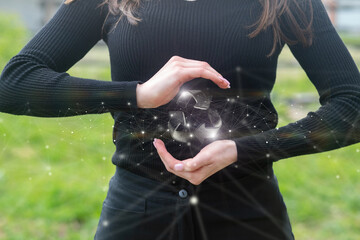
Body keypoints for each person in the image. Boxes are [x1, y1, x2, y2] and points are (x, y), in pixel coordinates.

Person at [0, 0, 359, 239]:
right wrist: (138, 94)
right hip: (134, 215)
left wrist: (242, 150)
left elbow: (353, 106)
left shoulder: (283, 3)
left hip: (248, 214)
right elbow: (14, 84)